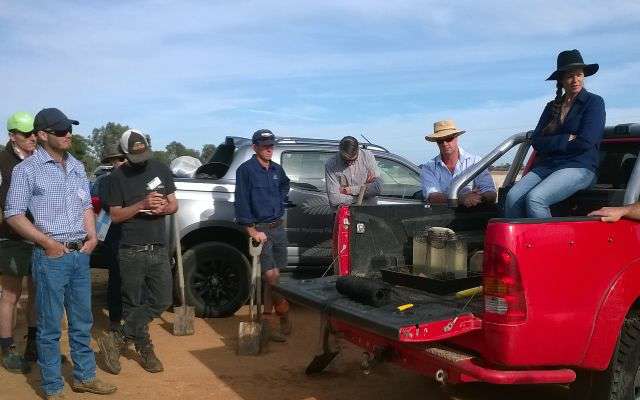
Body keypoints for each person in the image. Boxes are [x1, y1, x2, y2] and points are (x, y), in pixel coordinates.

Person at [4, 108, 116, 398]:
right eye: (61, 130)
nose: (68, 134)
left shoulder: (77, 166)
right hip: (51, 257)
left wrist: (92, 237)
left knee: (82, 322)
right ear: (42, 135)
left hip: (81, 255)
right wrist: (48, 244)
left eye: (69, 128)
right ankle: (52, 386)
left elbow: (85, 206)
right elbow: (14, 214)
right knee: (50, 326)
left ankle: (85, 376)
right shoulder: (26, 170)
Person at [98, 129, 178, 375]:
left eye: (143, 155)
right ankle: (146, 349)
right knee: (132, 304)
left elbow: (175, 204)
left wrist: (162, 208)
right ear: (124, 154)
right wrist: (142, 204)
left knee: (162, 300)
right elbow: (115, 215)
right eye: (134, 157)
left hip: (158, 247)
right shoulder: (115, 179)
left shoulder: (161, 169)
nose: (140, 161)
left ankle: (116, 337)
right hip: (130, 249)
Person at [504, 49, 606, 218]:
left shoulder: (594, 102)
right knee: (512, 197)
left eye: (579, 75)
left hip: (579, 166)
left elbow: (586, 141)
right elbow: (537, 141)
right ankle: (519, 243)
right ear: (561, 79)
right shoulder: (551, 107)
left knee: (536, 199)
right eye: (570, 76)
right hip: (548, 166)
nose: (575, 80)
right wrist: (567, 138)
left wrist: (552, 143)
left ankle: (547, 244)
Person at [235, 129, 292, 342]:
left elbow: (285, 185)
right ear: (255, 147)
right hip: (261, 229)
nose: (269, 149)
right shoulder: (246, 170)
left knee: (275, 278)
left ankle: (267, 324)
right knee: (271, 276)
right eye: (264, 145)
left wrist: (279, 200)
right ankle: (284, 312)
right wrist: (251, 230)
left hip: (278, 227)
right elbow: (241, 202)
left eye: (271, 145)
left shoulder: (277, 169)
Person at [0, 112, 37, 374]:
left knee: (37, 294)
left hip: (39, 236)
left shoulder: (38, 159)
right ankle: (7, 347)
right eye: (26, 134)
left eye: (34, 133)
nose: (33, 138)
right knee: (10, 294)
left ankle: (34, 343)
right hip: (10, 237)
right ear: (13, 135)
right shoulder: (2, 161)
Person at [91, 143, 127, 331]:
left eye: (124, 158)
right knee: (117, 276)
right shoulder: (106, 181)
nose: (121, 162)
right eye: (118, 159)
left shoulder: (137, 179)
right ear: (112, 162)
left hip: (134, 234)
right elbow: (107, 204)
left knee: (134, 278)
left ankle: (131, 317)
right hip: (114, 234)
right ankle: (115, 319)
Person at [420, 119, 496, 207]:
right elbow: (432, 197)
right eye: (440, 140)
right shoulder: (429, 168)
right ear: (436, 142)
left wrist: (479, 198)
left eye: (448, 138)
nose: (444, 143)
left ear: (456, 137)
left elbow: (491, 193)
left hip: (474, 214)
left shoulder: (476, 162)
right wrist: (462, 199)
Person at [324, 136, 383, 207]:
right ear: (340, 151)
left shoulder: (367, 156)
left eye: (353, 160)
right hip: (344, 214)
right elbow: (334, 199)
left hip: (369, 212)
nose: (349, 163)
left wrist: (349, 190)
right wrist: (364, 192)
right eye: (345, 160)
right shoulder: (331, 164)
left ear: (358, 150)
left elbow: (377, 188)